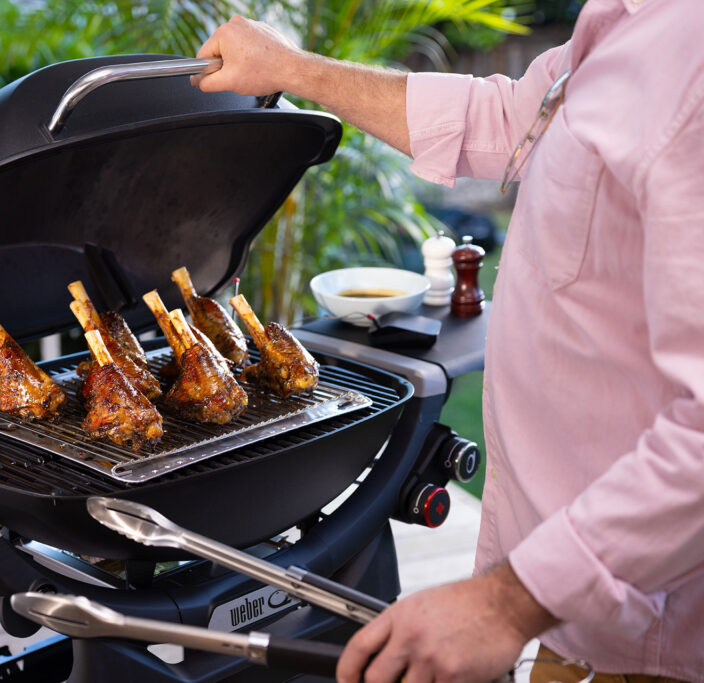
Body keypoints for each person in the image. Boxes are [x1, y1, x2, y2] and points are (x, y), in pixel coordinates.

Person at [193, 1, 704, 681]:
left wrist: (505, 604)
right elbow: (508, 117)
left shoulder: (691, 59)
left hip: (656, 628)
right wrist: (291, 68)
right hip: (570, 607)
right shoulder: (627, 20)